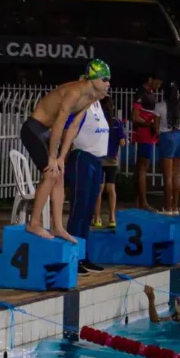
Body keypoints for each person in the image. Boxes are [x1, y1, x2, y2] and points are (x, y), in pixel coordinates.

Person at [19, 59, 112, 241]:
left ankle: (57, 227)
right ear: (92, 78)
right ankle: (34, 223)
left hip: (45, 132)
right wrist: (53, 156)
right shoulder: (74, 92)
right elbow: (60, 125)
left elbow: (74, 127)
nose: (108, 83)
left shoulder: (90, 97)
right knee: (51, 173)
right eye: (105, 79)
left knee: (59, 173)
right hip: (33, 130)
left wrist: (61, 157)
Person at [65, 95, 111, 274]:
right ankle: (72, 257)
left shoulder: (98, 105)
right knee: (78, 210)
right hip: (81, 159)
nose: (107, 85)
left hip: (96, 161)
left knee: (88, 212)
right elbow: (67, 129)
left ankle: (83, 256)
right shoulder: (81, 103)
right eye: (104, 80)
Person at [154, 82, 180, 215]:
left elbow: (156, 129)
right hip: (179, 138)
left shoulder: (159, 106)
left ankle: (168, 208)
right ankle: (175, 207)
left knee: (167, 177)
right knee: (176, 176)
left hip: (166, 137)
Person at [93, 95, 126, 228]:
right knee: (111, 187)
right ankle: (112, 218)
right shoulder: (117, 123)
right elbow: (122, 143)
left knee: (99, 188)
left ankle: (97, 218)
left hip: (99, 157)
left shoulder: (98, 121)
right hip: (112, 158)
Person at [131, 75, 162, 211]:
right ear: (150, 79)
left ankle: (139, 201)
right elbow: (134, 116)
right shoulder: (142, 93)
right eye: (157, 82)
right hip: (145, 135)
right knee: (143, 168)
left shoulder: (149, 93)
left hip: (148, 135)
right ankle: (143, 202)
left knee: (140, 168)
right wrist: (149, 124)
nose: (159, 86)